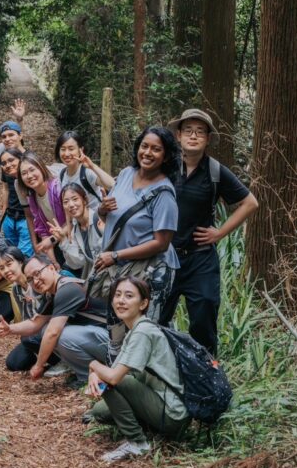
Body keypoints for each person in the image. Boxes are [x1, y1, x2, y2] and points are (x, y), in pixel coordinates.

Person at [161, 109, 259, 355]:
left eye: (200, 132)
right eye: (188, 131)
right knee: (156, 317)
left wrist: (220, 233)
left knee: (203, 317)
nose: (194, 136)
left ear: (207, 139)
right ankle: (157, 374)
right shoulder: (166, 168)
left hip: (200, 257)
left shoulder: (215, 171)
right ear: (178, 135)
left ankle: (207, 376)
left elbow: (250, 203)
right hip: (165, 256)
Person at [86, 277, 189, 461]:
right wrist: (95, 375)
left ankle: (137, 443)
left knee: (110, 382)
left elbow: (113, 377)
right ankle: (148, 428)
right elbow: (112, 372)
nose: (121, 301)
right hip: (159, 401)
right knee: (99, 412)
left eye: (128, 296)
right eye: (117, 295)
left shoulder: (143, 332)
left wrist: (93, 366)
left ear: (143, 304)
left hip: (173, 412)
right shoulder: (135, 330)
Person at [95, 126, 180, 323]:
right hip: (120, 269)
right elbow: (112, 219)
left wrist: (116, 256)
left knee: (143, 331)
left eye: (156, 149)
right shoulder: (126, 174)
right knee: (116, 329)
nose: (148, 153)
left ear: (166, 157)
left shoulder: (164, 194)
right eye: (144, 146)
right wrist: (102, 209)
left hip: (149, 272)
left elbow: (161, 243)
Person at [0, 253, 108, 382]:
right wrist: (9, 328)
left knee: (59, 334)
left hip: (111, 342)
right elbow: (36, 323)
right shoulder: (51, 294)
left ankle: (86, 377)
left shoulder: (67, 289)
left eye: (37, 273)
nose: (35, 281)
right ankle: (86, 371)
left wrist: (38, 365)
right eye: (30, 279)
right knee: (43, 330)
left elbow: (52, 333)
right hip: (97, 338)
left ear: (51, 268)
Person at [16, 152, 66, 262]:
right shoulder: (33, 198)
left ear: (41, 168)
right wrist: (53, 263)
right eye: (24, 173)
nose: (29, 176)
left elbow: (74, 221)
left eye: (32, 170)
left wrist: (53, 239)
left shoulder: (58, 189)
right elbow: (43, 230)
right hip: (62, 244)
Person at [51, 183, 103, 279]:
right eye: (66, 202)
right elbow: (78, 263)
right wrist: (63, 240)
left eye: (75, 199)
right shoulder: (75, 230)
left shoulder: (99, 219)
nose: (71, 205)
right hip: (98, 277)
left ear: (84, 200)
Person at [55, 131, 114, 209]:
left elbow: (112, 185)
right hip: (77, 220)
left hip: (96, 219)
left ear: (81, 150)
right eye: (63, 149)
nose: (66, 154)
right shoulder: (61, 175)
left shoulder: (87, 172)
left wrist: (92, 166)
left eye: (71, 149)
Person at [0, 148, 34, 257]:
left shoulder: (31, 178)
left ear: (20, 159)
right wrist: (3, 214)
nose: (8, 165)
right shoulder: (14, 180)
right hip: (10, 217)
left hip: (26, 220)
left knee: (23, 256)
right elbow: (5, 189)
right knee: (11, 252)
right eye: (4, 163)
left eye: (11, 160)